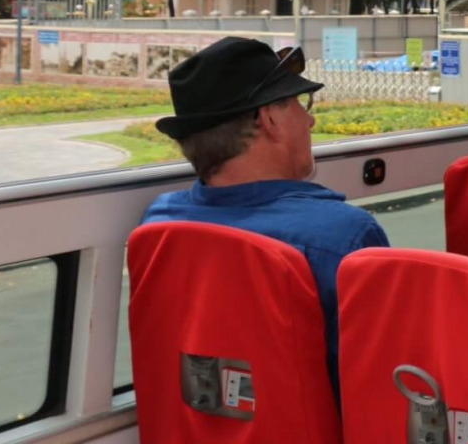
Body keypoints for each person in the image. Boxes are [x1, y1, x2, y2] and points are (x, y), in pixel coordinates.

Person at [145, 36, 389, 396]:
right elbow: (378, 390)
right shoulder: (345, 238)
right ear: (270, 119)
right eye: (298, 103)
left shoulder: (159, 225)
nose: (310, 119)